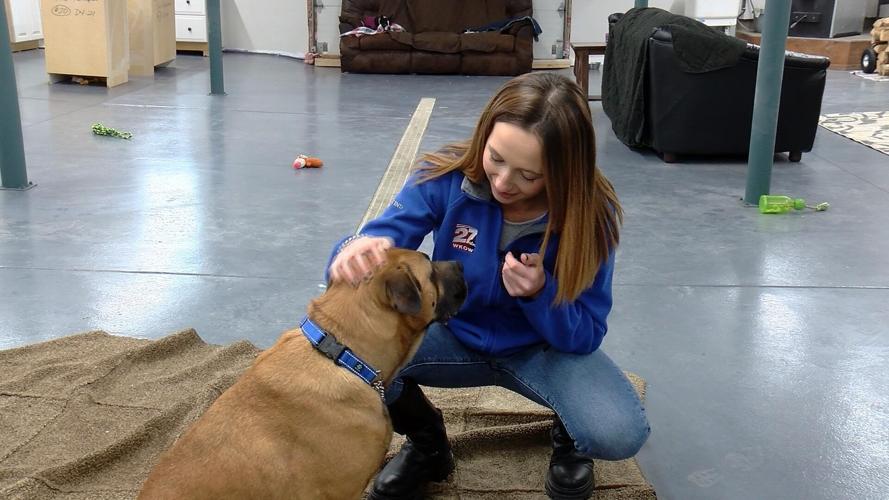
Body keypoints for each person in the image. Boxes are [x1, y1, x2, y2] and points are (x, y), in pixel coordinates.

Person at [327, 72, 650, 500]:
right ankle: (428, 447)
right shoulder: (446, 176)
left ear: (564, 171)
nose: (501, 182)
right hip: (452, 334)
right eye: (495, 158)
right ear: (484, 137)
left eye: (529, 175)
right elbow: (377, 240)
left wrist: (540, 296)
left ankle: (570, 441)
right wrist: (354, 250)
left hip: (543, 350)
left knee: (617, 432)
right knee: (341, 353)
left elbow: (587, 333)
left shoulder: (592, 217)